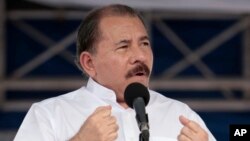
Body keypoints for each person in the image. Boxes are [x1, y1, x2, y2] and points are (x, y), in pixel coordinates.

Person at [14, 4, 216, 141]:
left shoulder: (181, 117)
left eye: (144, 43)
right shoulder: (50, 115)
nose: (140, 56)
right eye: (123, 46)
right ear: (89, 63)